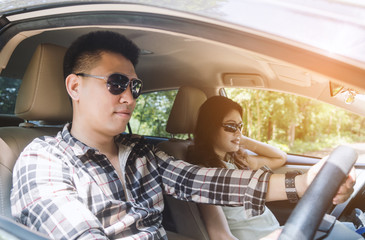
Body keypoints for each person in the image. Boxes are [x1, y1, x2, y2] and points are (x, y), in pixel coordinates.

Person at [10, 31, 355, 240]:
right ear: (75, 86)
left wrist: (304, 183)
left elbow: (205, 181)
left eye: (134, 86)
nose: (129, 97)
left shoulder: (141, 153)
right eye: (116, 83)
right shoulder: (43, 161)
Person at [187, 96, 286, 240]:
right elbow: (220, 236)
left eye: (240, 126)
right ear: (210, 127)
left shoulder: (240, 161)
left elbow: (280, 157)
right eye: (230, 126)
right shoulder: (205, 174)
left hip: (278, 233)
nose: (238, 131)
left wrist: (239, 138)